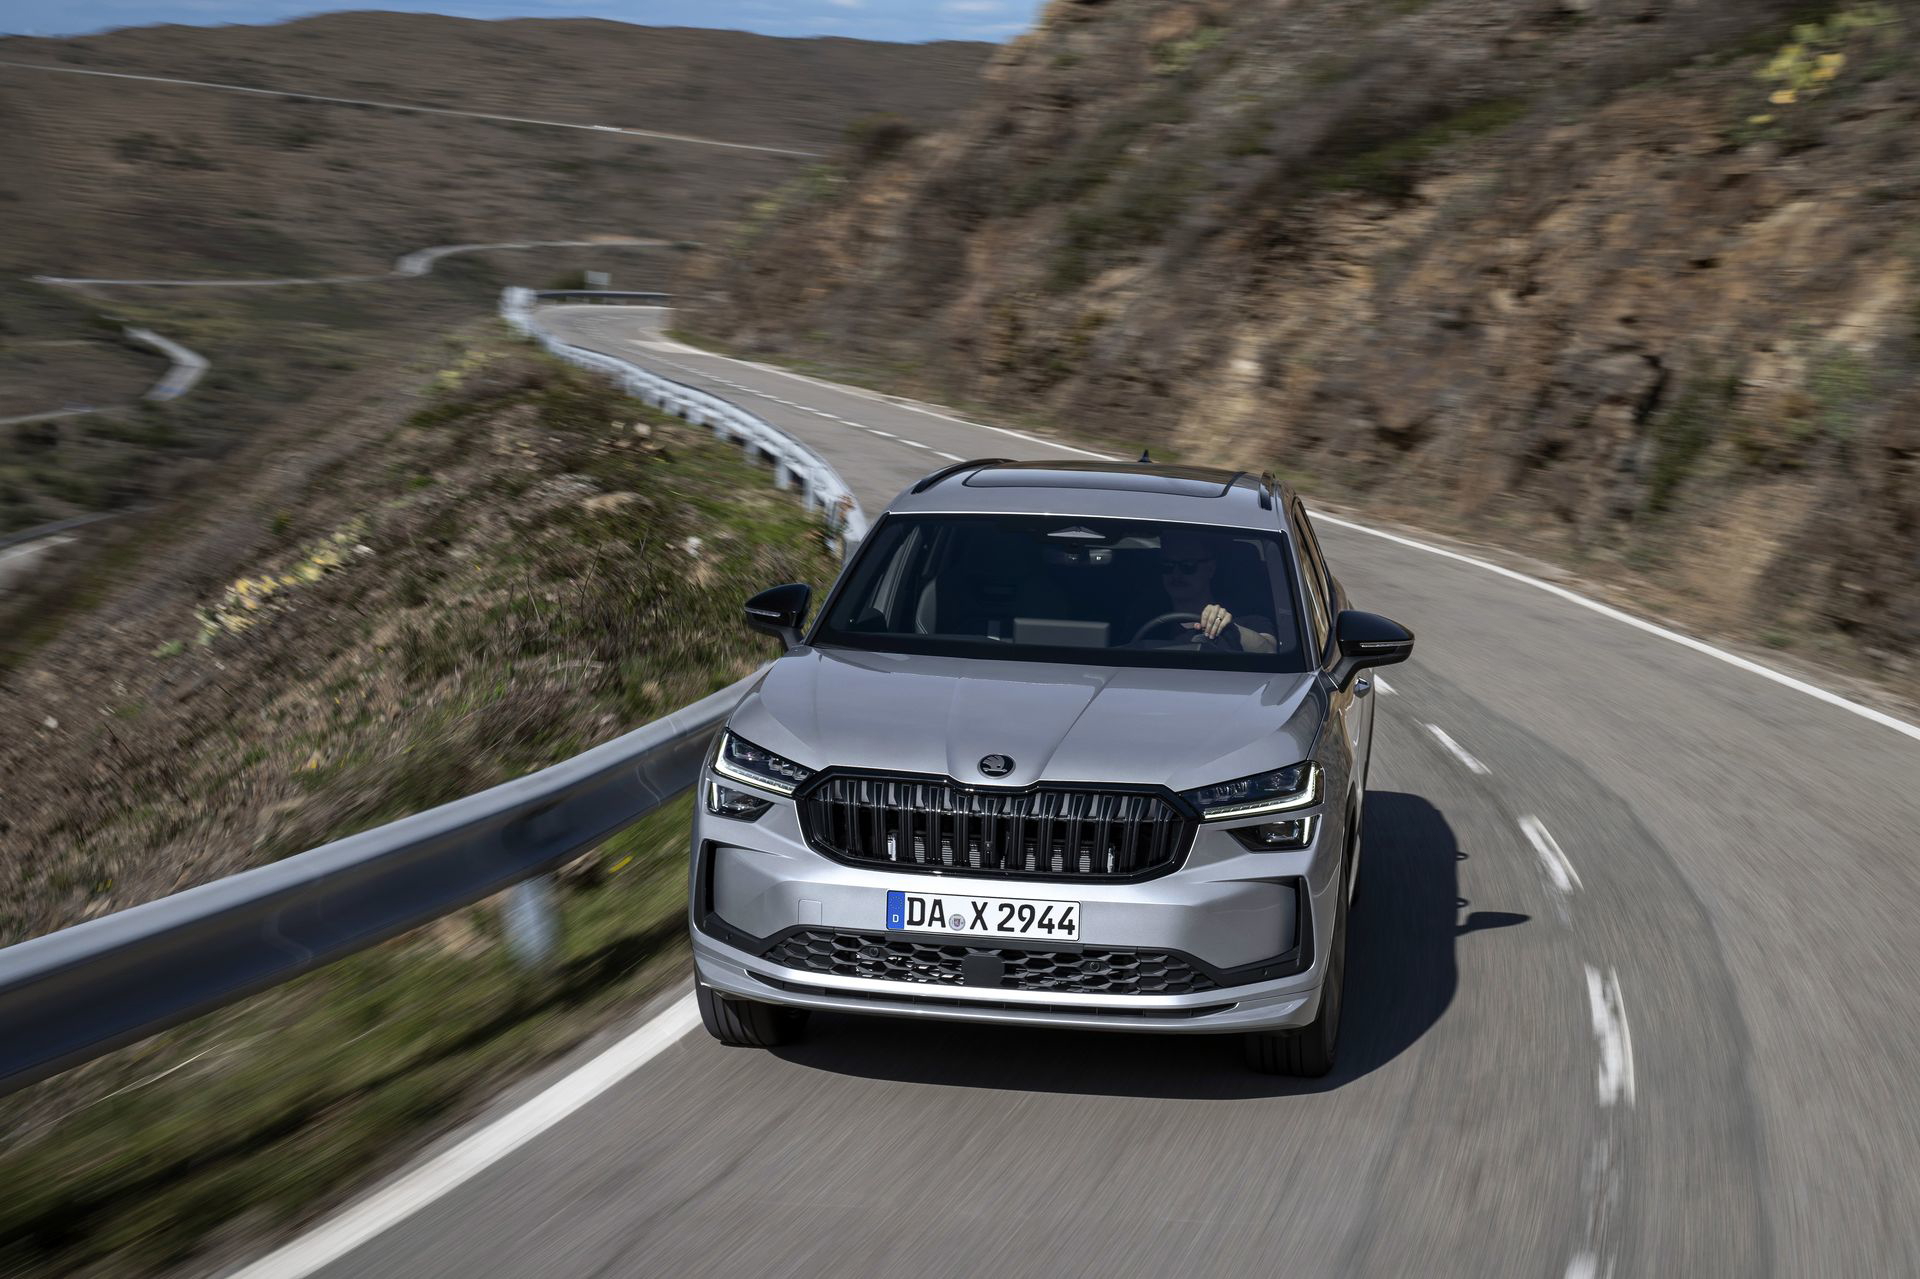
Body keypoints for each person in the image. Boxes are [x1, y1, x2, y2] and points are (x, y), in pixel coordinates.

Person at [1154, 530, 1279, 653]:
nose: (1176, 574)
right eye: (1168, 565)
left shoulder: (1249, 620)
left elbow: (1269, 650)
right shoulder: (1146, 622)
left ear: (1210, 569)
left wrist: (1230, 628)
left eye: (1188, 565)